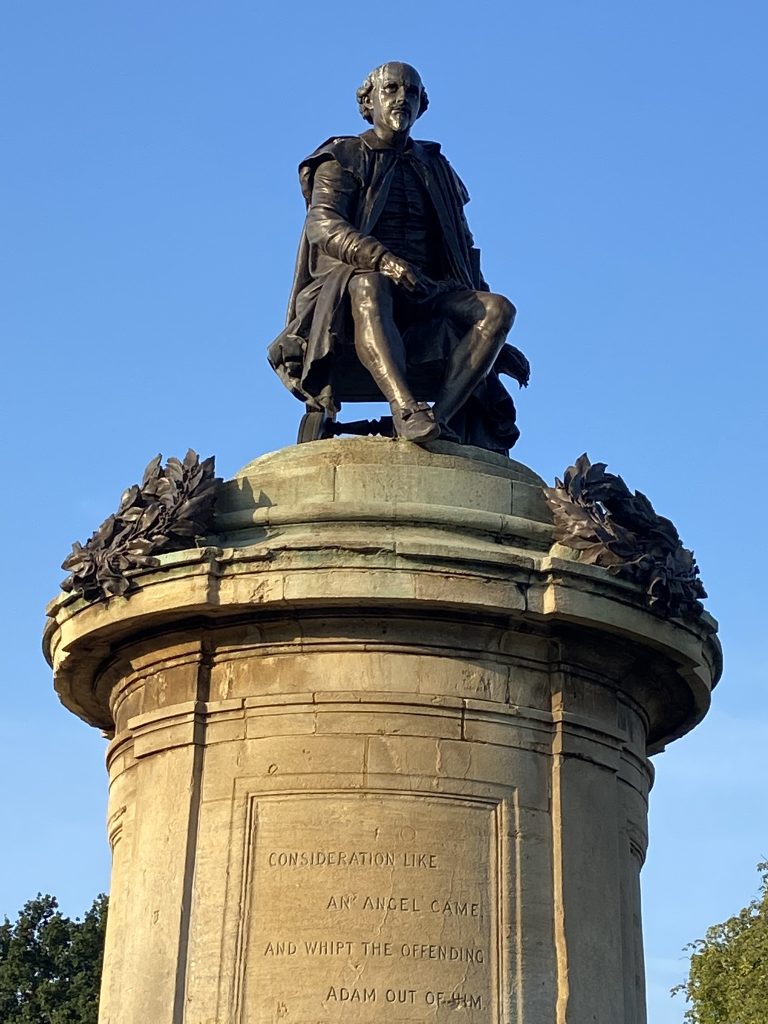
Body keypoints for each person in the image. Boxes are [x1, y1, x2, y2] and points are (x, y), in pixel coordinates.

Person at [268, 62, 529, 452]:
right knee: (369, 284)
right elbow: (322, 224)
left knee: (499, 310)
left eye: (411, 92)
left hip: (430, 292)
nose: (401, 98)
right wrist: (381, 258)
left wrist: (497, 346)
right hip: (352, 287)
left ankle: (437, 420)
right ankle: (406, 408)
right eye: (390, 89)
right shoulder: (342, 157)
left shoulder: (437, 168)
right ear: (368, 102)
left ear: (422, 106)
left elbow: (465, 252)